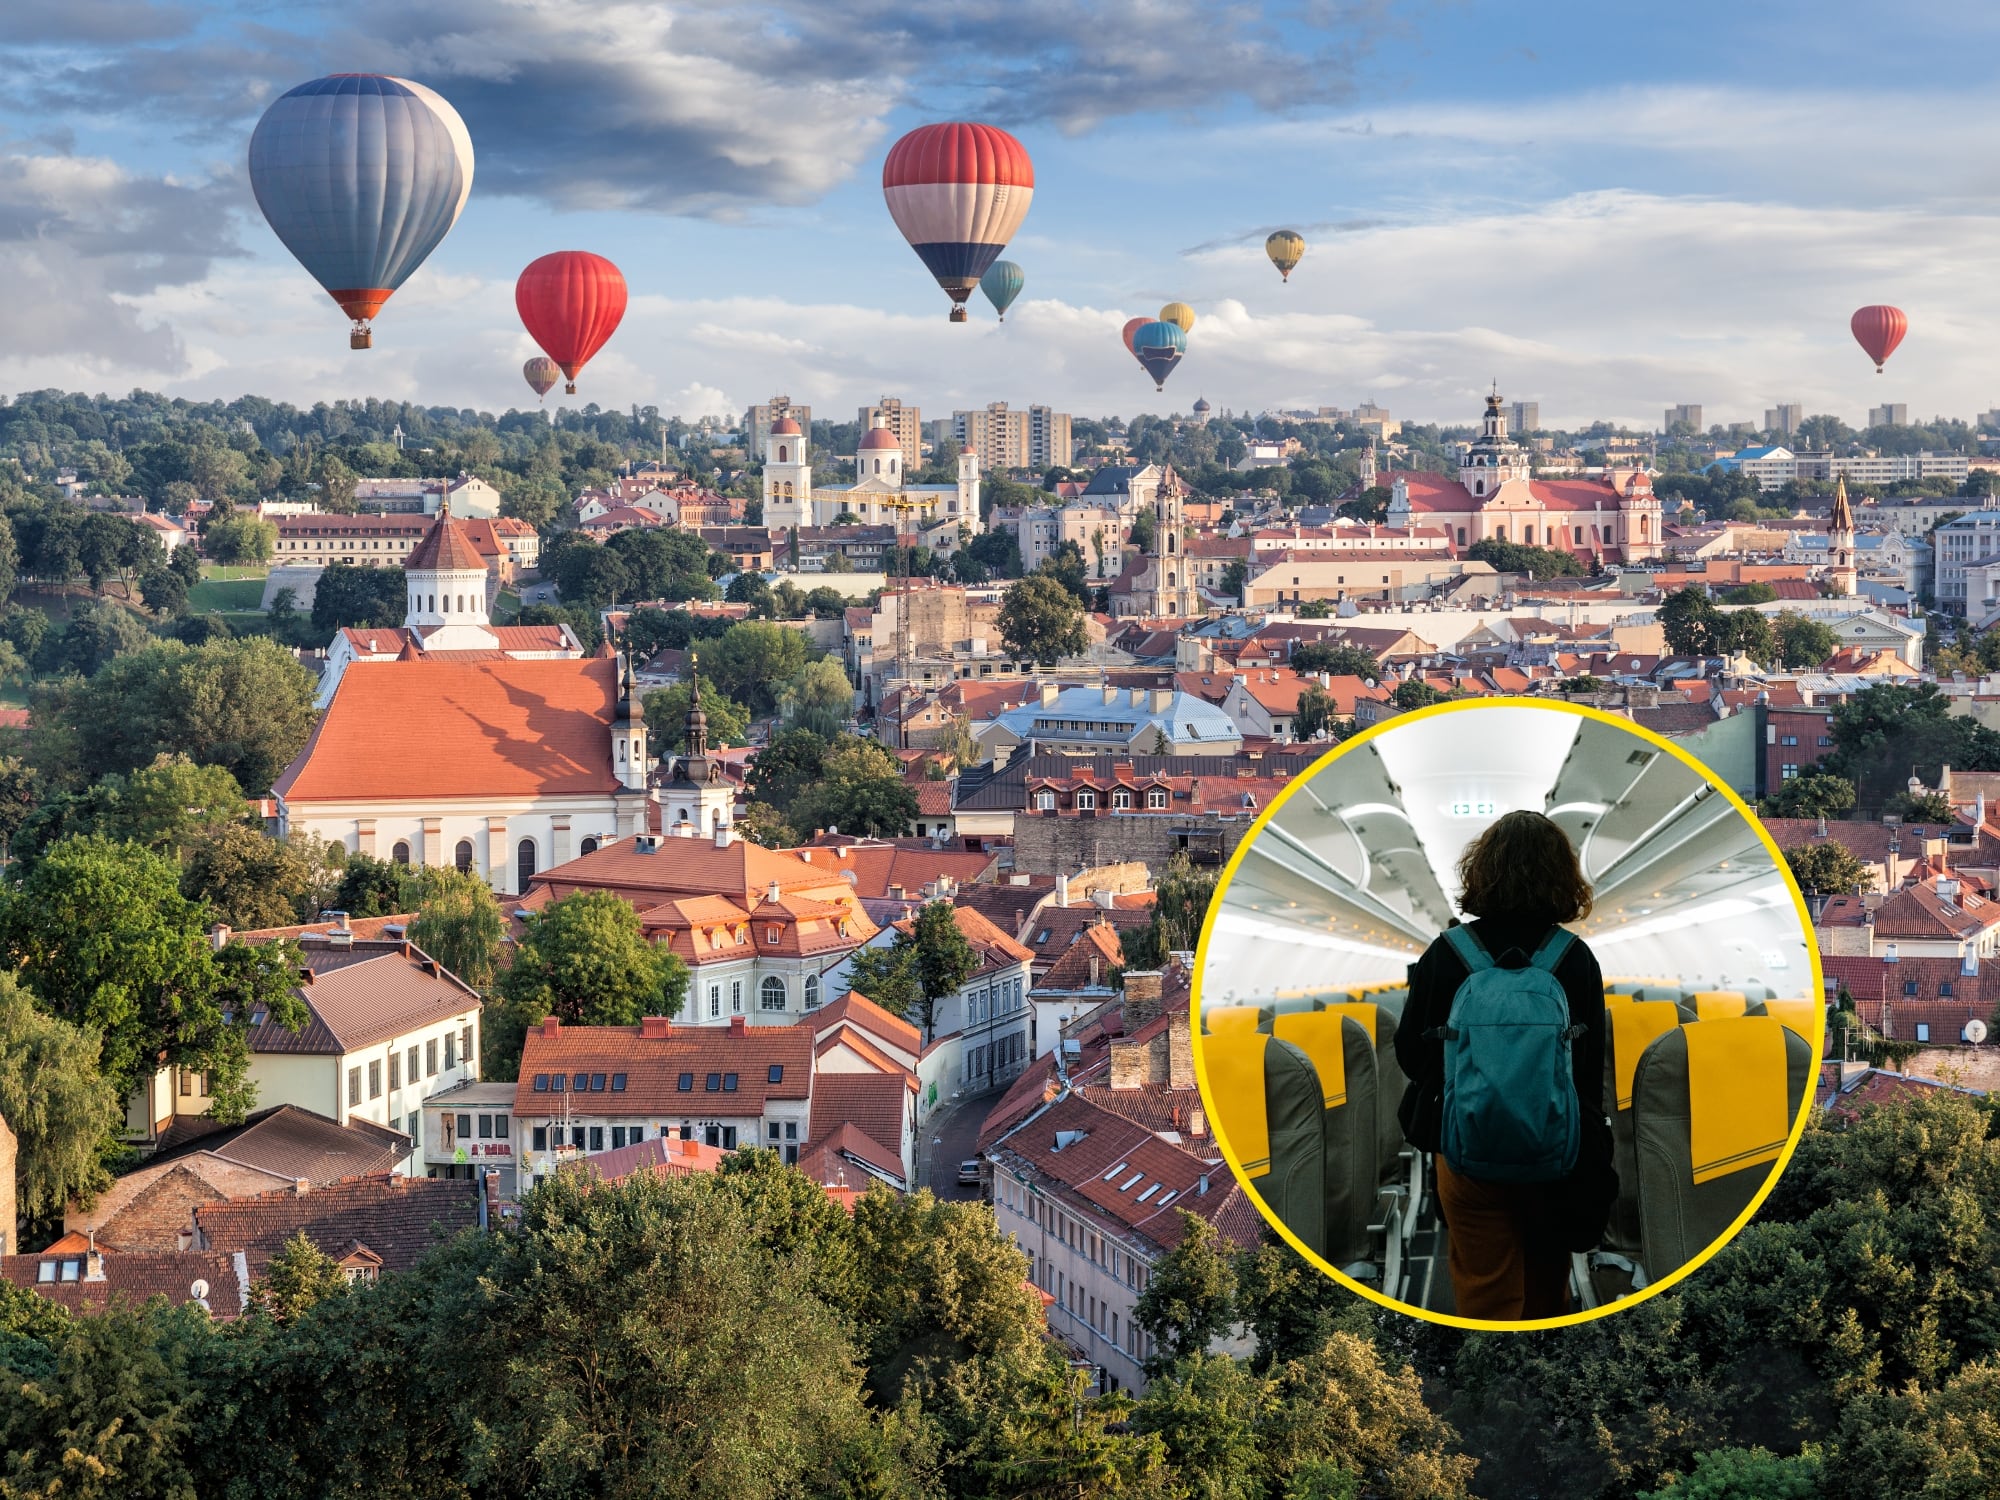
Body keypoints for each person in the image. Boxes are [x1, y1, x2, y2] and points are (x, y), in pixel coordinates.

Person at [1395, 810, 1615, 1321]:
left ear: (1482, 871)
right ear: (1562, 875)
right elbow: (1588, 1068)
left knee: (1482, 1279)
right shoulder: (1575, 958)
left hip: (1466, 1147)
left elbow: (1411, 1053)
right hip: (1555, 1147)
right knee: (1547, 1277)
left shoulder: (1446, 954)